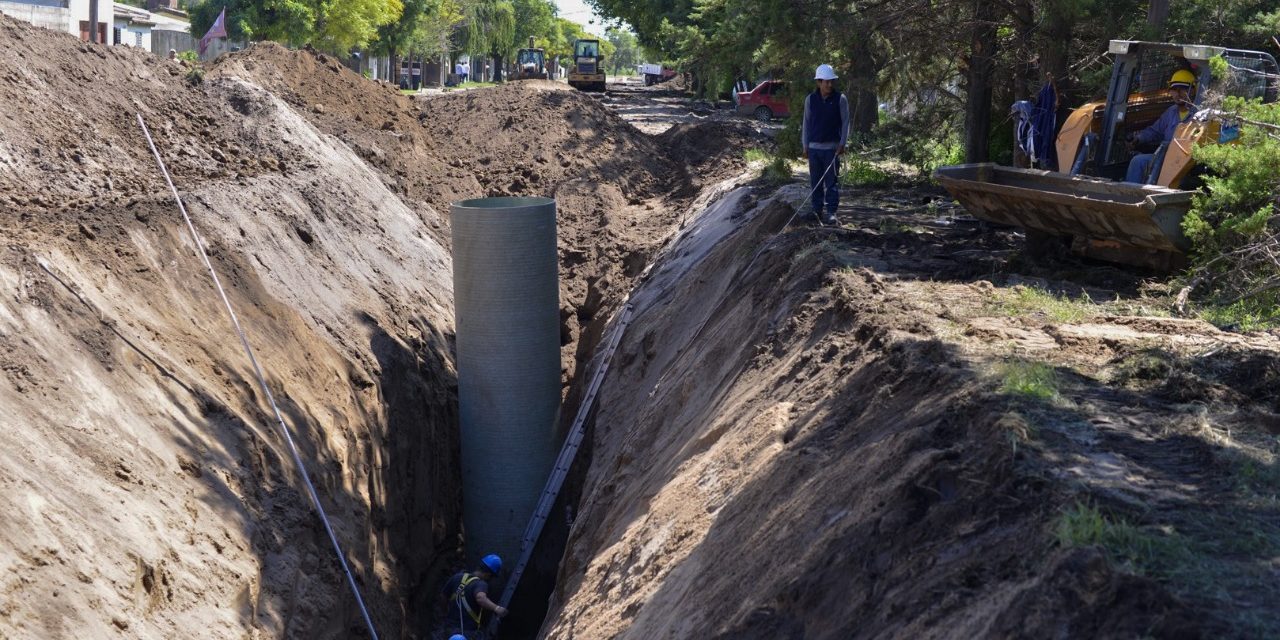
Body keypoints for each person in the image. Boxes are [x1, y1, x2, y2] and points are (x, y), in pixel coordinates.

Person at [1124, 69, 1197, 184]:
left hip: (1187, 163)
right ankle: (1129, 195)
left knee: (1139, 161)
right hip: (1166, 157)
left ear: (1193, 90)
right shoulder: (1171, 112)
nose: (1178, 94)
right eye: (1174, 90)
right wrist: (1138, 138)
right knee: (1138, 162)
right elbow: (1155, 131)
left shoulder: (1200, 114)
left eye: (1182, 90)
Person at [801, 64, 850, 225]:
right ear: (819, 82)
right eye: (826, 82)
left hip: (832, 149)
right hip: (814, 149)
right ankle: (816, 210)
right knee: (815, 182)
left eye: (831, 81)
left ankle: (831, 212)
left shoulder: (840, 99)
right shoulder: (810, 100)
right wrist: (805, 145)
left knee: (831, 183)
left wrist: (842, 143)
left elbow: (845, 123)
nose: (829, 85)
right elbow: (806, 123)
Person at [439, 554, 507, 639]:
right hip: (466, 632)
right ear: (488, 575)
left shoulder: (457, 577)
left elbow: (443, 596)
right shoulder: (481, 584)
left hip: (449, 629)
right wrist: (497, 608)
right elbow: (480, 598)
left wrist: (445, 612)